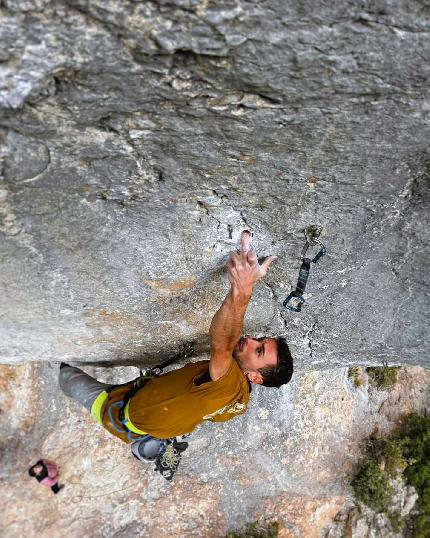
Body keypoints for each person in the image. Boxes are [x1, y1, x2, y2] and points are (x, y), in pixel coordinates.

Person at [59, 230, 293, 479]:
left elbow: (223, 344)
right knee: (173, 416)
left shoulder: (229, 383)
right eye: (260, 340)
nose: (250, 341)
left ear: (255, 377)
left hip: (122, 412)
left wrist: (243, 288)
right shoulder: (240, 404)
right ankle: (156, 441)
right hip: (157, 411)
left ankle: (146, 443)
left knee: (67, 377)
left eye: (258, 350)